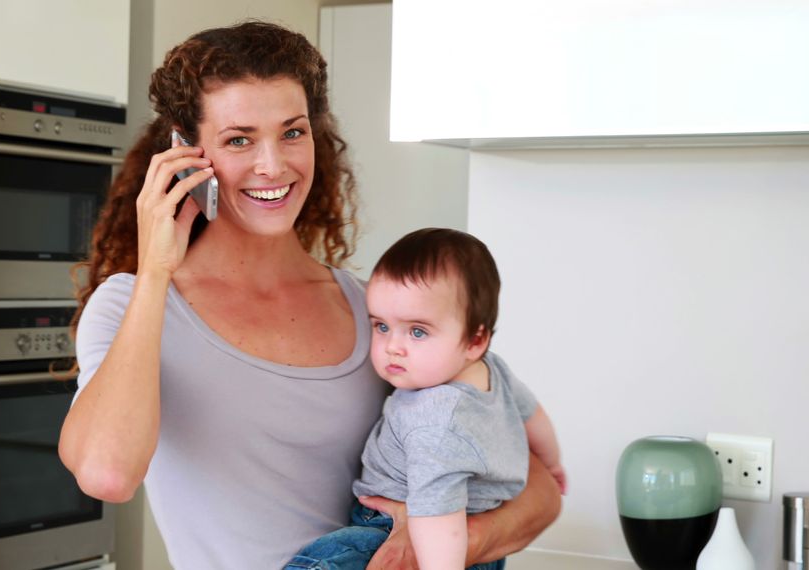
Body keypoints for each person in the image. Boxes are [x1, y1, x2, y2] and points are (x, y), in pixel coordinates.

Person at [57, 21, 561, 570]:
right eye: (239, 139)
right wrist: (157, 269)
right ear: (186, 150)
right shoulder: (136, 305)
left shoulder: (380, 313)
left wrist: (445, 546)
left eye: (292, 132)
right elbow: (107, 474)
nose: (273, 165)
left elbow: (535, 484)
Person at [286, 228, 566, 570]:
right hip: (476, 532)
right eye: (381, 326)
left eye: (417, 331)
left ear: (475, 340)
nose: (393, 346)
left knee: (321, 561)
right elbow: (532, 416)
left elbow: (436, 517)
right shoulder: (491, 368)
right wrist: (552, 463)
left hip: (404, 531)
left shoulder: (434, 420)